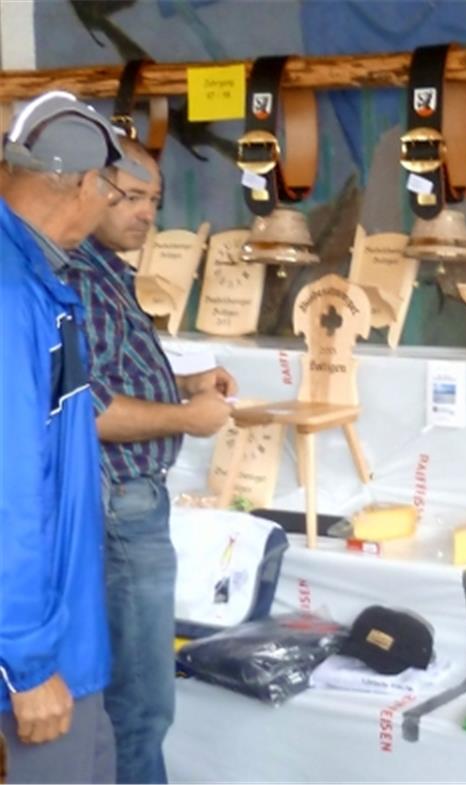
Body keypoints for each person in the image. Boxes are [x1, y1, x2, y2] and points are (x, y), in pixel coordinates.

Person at [58, 135, 237, 784]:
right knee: (139, 706)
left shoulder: (105, 270)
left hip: (128, 504)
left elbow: (106, 377)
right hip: (121, 506)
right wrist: (187, 417)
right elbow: (90, 406)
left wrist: (182, 385)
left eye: (153, 201)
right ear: (90, 188)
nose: (144, 214)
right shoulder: (78, 274)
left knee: (131, 705)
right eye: (132, 196)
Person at [0, 90, 150, 784]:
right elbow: (8, 492)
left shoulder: (37, 276)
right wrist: (25, 665)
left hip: (67, 641)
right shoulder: (8, 293)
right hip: (33, 669)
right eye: (117, 188)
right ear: (89, 183)